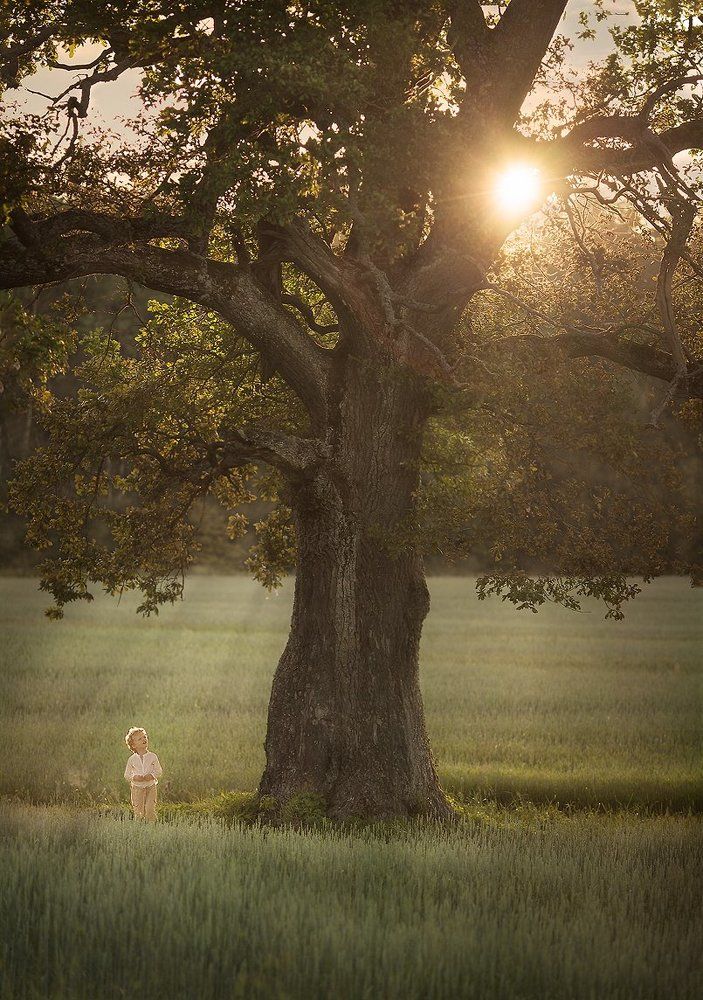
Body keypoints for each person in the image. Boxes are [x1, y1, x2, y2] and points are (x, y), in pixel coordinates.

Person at [124, 727, 163, 822]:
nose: (144, 739)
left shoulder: (152, 756)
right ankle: (140, 830)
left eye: (145, 737)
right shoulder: (132, 759)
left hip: (150, 787)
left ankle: (153, 829)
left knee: (150, 809)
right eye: (140, 739)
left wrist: (152, 775)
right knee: (139, 812)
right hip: (137, 789)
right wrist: (134, 777)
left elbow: (159, 771)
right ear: (133, 745)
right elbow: (127, 775)